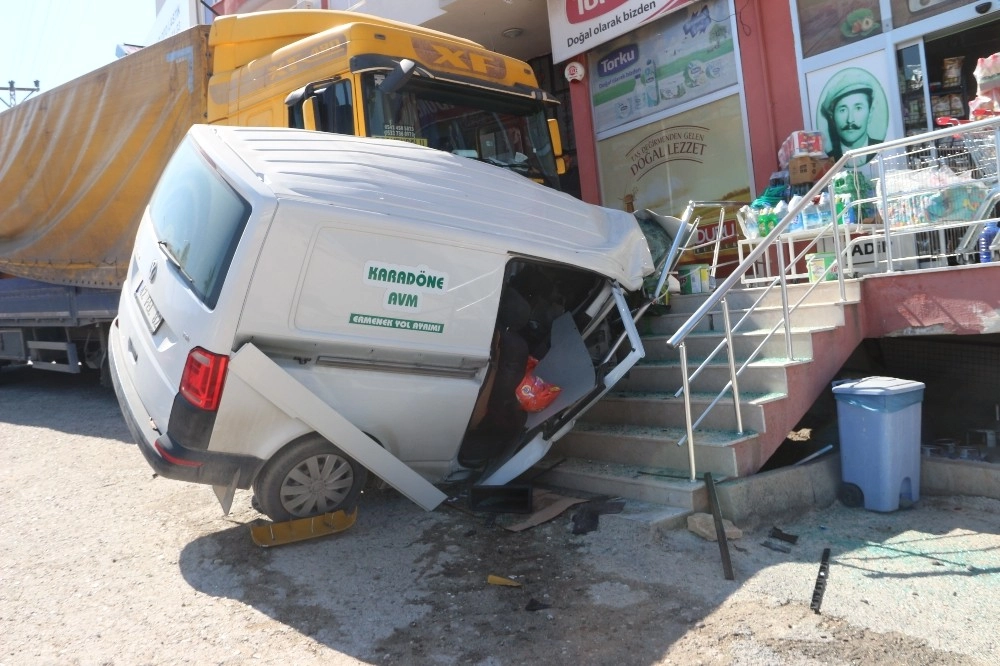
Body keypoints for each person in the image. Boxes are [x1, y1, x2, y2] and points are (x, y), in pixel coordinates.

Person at [820, 75, 884, 164]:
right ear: (832, 117)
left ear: (870, 113)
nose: (850, 120)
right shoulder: (829, 161)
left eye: (858, 108)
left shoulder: (883, 149)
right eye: (842, 110)